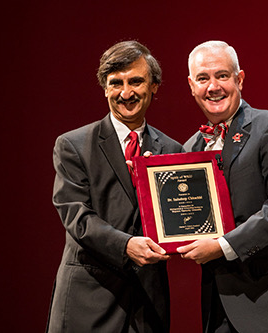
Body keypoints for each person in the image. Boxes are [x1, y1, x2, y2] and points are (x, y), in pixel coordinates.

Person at [178, 41, 268, 332]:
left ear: (239, 79)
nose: (213, 87)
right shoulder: (190, 148)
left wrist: (222, 246)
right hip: (219, 306)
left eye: (222, 76)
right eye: (203, 79)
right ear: (192, 86)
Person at [46, 40, 183, 332]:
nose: (126, 93)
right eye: (115, 83)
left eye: (136, 81)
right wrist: (126, 246)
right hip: (89, 300)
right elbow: (76, 217)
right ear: (105, 88)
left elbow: (180, 218)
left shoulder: (173, 151)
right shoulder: (73, 145)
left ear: (154, 86)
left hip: (147, 304)